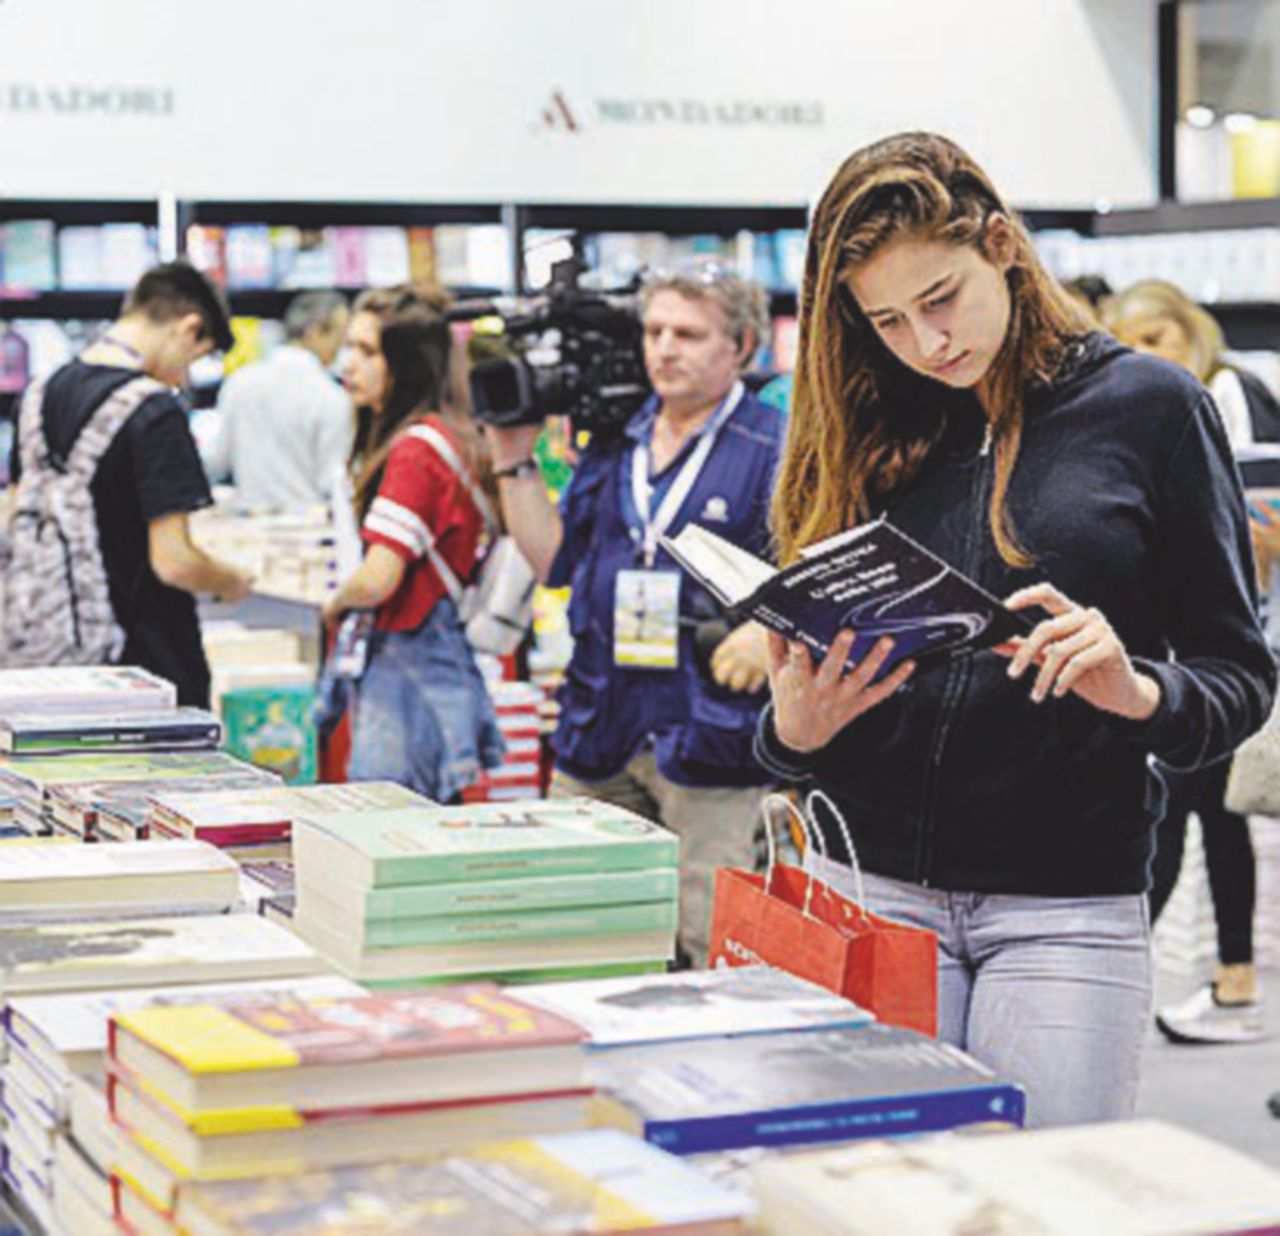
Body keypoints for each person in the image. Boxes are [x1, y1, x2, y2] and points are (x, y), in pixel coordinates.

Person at [754, 132, 1275, 1127]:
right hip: (863, 887)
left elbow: (1236, 675)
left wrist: (1137, 693)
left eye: (939, 299)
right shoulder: (861, 420)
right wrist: (793, 733)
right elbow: (791, 716)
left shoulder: (1149, 407)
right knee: (865, 1198)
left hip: (1062, 909)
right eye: (886, 320)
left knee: (1039, 1204)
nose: (924, 342)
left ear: (999, 242)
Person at [484, 264, 784, 968]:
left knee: (709, 940)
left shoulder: (777, 445)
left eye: (688, 334)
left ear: (740, 345)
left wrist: (767, 628)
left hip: (708, 730)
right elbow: (556, 561)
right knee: (574, 929)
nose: (664, 349)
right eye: (654, 332)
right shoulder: (616, 438)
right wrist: (512, 466)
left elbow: (817, 574)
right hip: (600, 721)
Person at [1105, 278, 1280, 1044]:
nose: (1147, 357)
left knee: (1193, 809)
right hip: (1207, 654)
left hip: (1238, 656)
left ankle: (1135, 973)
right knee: (1209, 814)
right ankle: (1231, 982)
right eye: (1130, 343)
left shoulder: (1227, 399)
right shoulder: (1160, 410)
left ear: (1192, 331)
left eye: (1158, 338)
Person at [9, 262, 252, 706]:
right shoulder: (155, 411)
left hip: (43, 664)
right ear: (188, 327)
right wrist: (231, 579)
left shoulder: (38, 394)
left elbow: (12, 514)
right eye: (193, 362)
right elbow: (174, 561)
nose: (181, 378)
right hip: (144, 667)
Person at [321, 284, 504, 801]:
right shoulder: (448, 438)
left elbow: (380, 577)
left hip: (409, 663)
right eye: (350, 347)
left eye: (368, 351)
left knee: (386, 824)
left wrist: (335, 602)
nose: (348, 364)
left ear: (408, 364)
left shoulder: (415, 452)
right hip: (427, 658)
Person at [205, 290, 352, 509]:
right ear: (315, 332)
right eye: (341, 337)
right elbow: (331, 483)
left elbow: (216, 461)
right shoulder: (331, 397)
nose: (343, 349)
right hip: (309, 529)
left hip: (247, 527)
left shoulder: (239, 382)